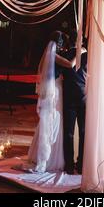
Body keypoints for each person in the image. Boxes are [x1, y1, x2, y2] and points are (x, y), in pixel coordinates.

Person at [26, 31, 76, 173]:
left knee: (49, 121)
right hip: (55, 89)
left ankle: (39, 154)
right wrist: (80, 52)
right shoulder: (53, 55)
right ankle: (49, 157)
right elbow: (70, 64)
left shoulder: (47, 55)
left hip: (52, 88)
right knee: (53, 121)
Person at [60, 29, 87, 175]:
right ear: (82, 41)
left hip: (69, 97)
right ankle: (82, 165)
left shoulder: (64, 55)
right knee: (83, 132)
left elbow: (58, 75)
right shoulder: (89, 55)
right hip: (84, 97)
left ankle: (69, 166)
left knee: (69, 133)